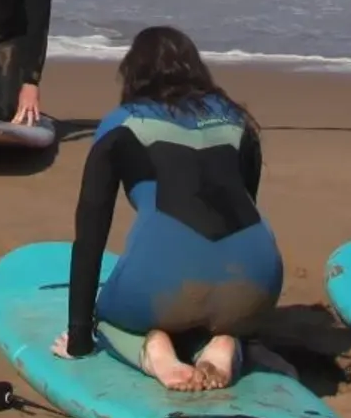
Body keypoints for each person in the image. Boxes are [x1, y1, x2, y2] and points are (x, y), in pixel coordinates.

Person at [59, 27, 279, 393]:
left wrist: (79, 338)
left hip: (163, 281)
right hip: (257, 278)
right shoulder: (237, 120)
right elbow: (245, 202)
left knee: (108, 318)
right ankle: (227, 342)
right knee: (212, 314)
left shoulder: (121, 122)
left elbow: (91, 233)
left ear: (134, 72)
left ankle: (155, 350)